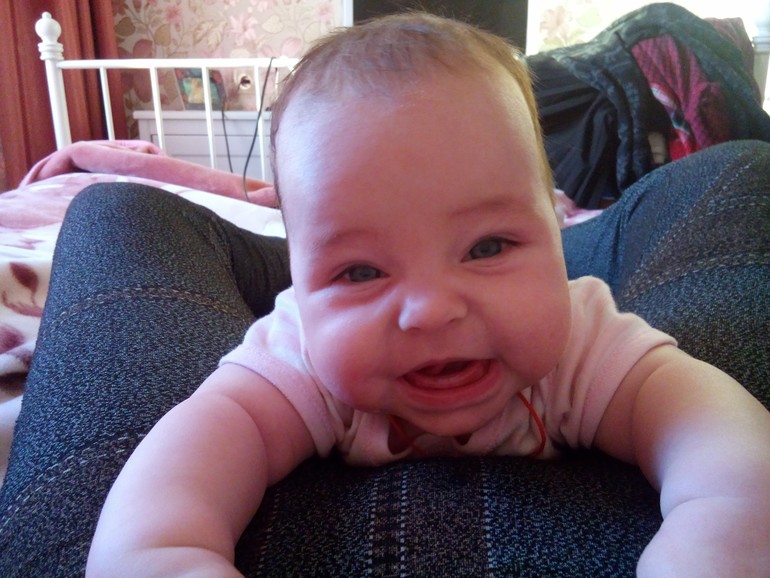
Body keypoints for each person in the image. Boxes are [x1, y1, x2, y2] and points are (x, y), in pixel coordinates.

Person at [1, 13, 768, 578]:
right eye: (360, 272)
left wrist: (718, 531)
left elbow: (712, 430)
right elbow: (189, 462)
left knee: (744, 169)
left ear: (553, 218)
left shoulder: (581, 334)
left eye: (489, 246)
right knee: (112, 208)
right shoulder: (299, 353)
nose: (431, 309)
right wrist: (162, 551)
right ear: (301, 286)